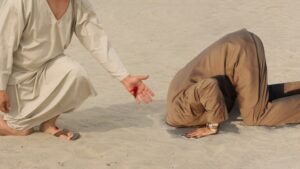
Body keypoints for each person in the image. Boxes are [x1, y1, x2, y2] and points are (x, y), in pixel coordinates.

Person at [0, 0, 154, 140]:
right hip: (15, 78)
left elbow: (97, 40)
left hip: (47, 71)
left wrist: (125, 77)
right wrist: (0, 88)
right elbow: (3, 46)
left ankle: (49, 123)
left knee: (75, 74)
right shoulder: (19, 2)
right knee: (22, 131)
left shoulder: (77, 3)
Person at [166, 29, 300, 138]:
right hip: (239, 47)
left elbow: (209, 86)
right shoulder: (177, 105)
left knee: (255, 115)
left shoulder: (180, 113)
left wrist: (212, 126)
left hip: (240, 53)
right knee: (257, 99)